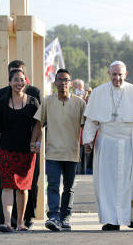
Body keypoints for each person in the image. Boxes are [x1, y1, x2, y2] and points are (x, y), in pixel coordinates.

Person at [83, 61, 133, 231]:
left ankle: (129, 215)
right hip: (107, 142)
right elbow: (91, 121)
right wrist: (88, 140)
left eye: (120, 74)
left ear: (125, 74)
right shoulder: (99, 92)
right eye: (114, 74)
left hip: (131, 141)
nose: (117, 78)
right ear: (109, 74)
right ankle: (111, 220)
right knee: (108, 184)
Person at [31, 69, 86, 232]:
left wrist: (89, 143)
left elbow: (86, 126)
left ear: (71, 83)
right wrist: (34, 142)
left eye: (66, 80)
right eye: (60, 79)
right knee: (53, 185)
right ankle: (54, 216)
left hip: (72, 152)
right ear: (55, 82)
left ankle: (65, 218)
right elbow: (38, 123)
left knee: (69, 187)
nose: (63, 83)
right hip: (53, 152)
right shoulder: (48, 101)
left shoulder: (80, 103)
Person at [0, 60, 41, 229]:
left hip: (26, 151)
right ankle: (6, 223)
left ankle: (20, 222)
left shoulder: (33, 101)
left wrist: (36, 143)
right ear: (9, 82)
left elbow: (39, 124)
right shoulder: (0, 101)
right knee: (6, 186)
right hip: (5, 149)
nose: (19, 83)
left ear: (25, 80)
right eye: (16, 80)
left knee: (23, 188)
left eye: (22, 80)